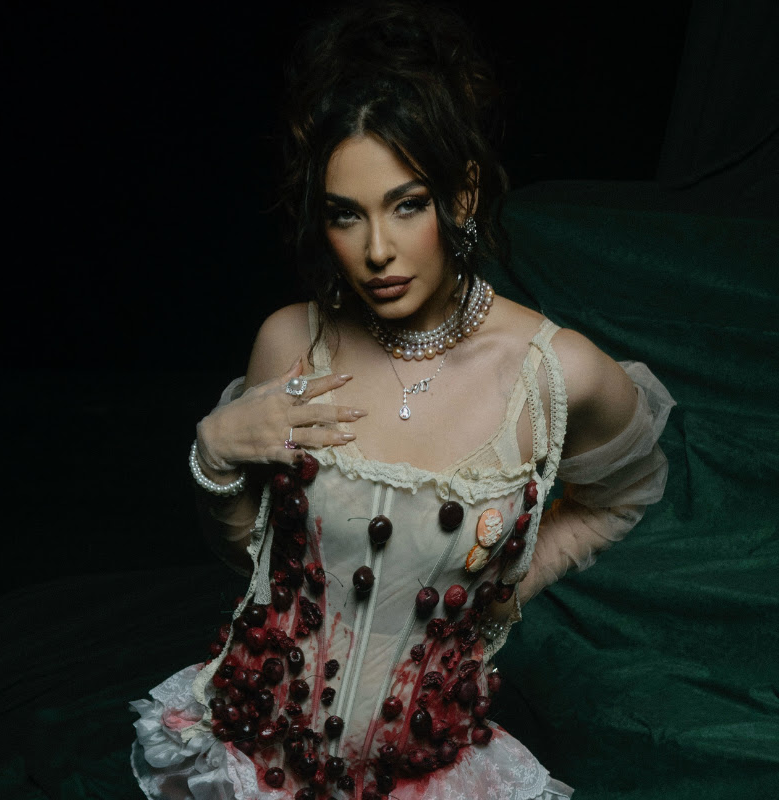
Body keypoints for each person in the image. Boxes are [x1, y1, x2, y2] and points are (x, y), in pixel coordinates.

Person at [130, 4, 675, 798]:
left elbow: (621, 495)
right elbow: (256, 564)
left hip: (428, 771)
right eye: (345, 215)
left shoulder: (557, 372)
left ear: (463, 195)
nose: (377, 250)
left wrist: (500, 590)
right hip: (256, 758)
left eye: (407, 203)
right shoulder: (289, 343)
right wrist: (214, 457)